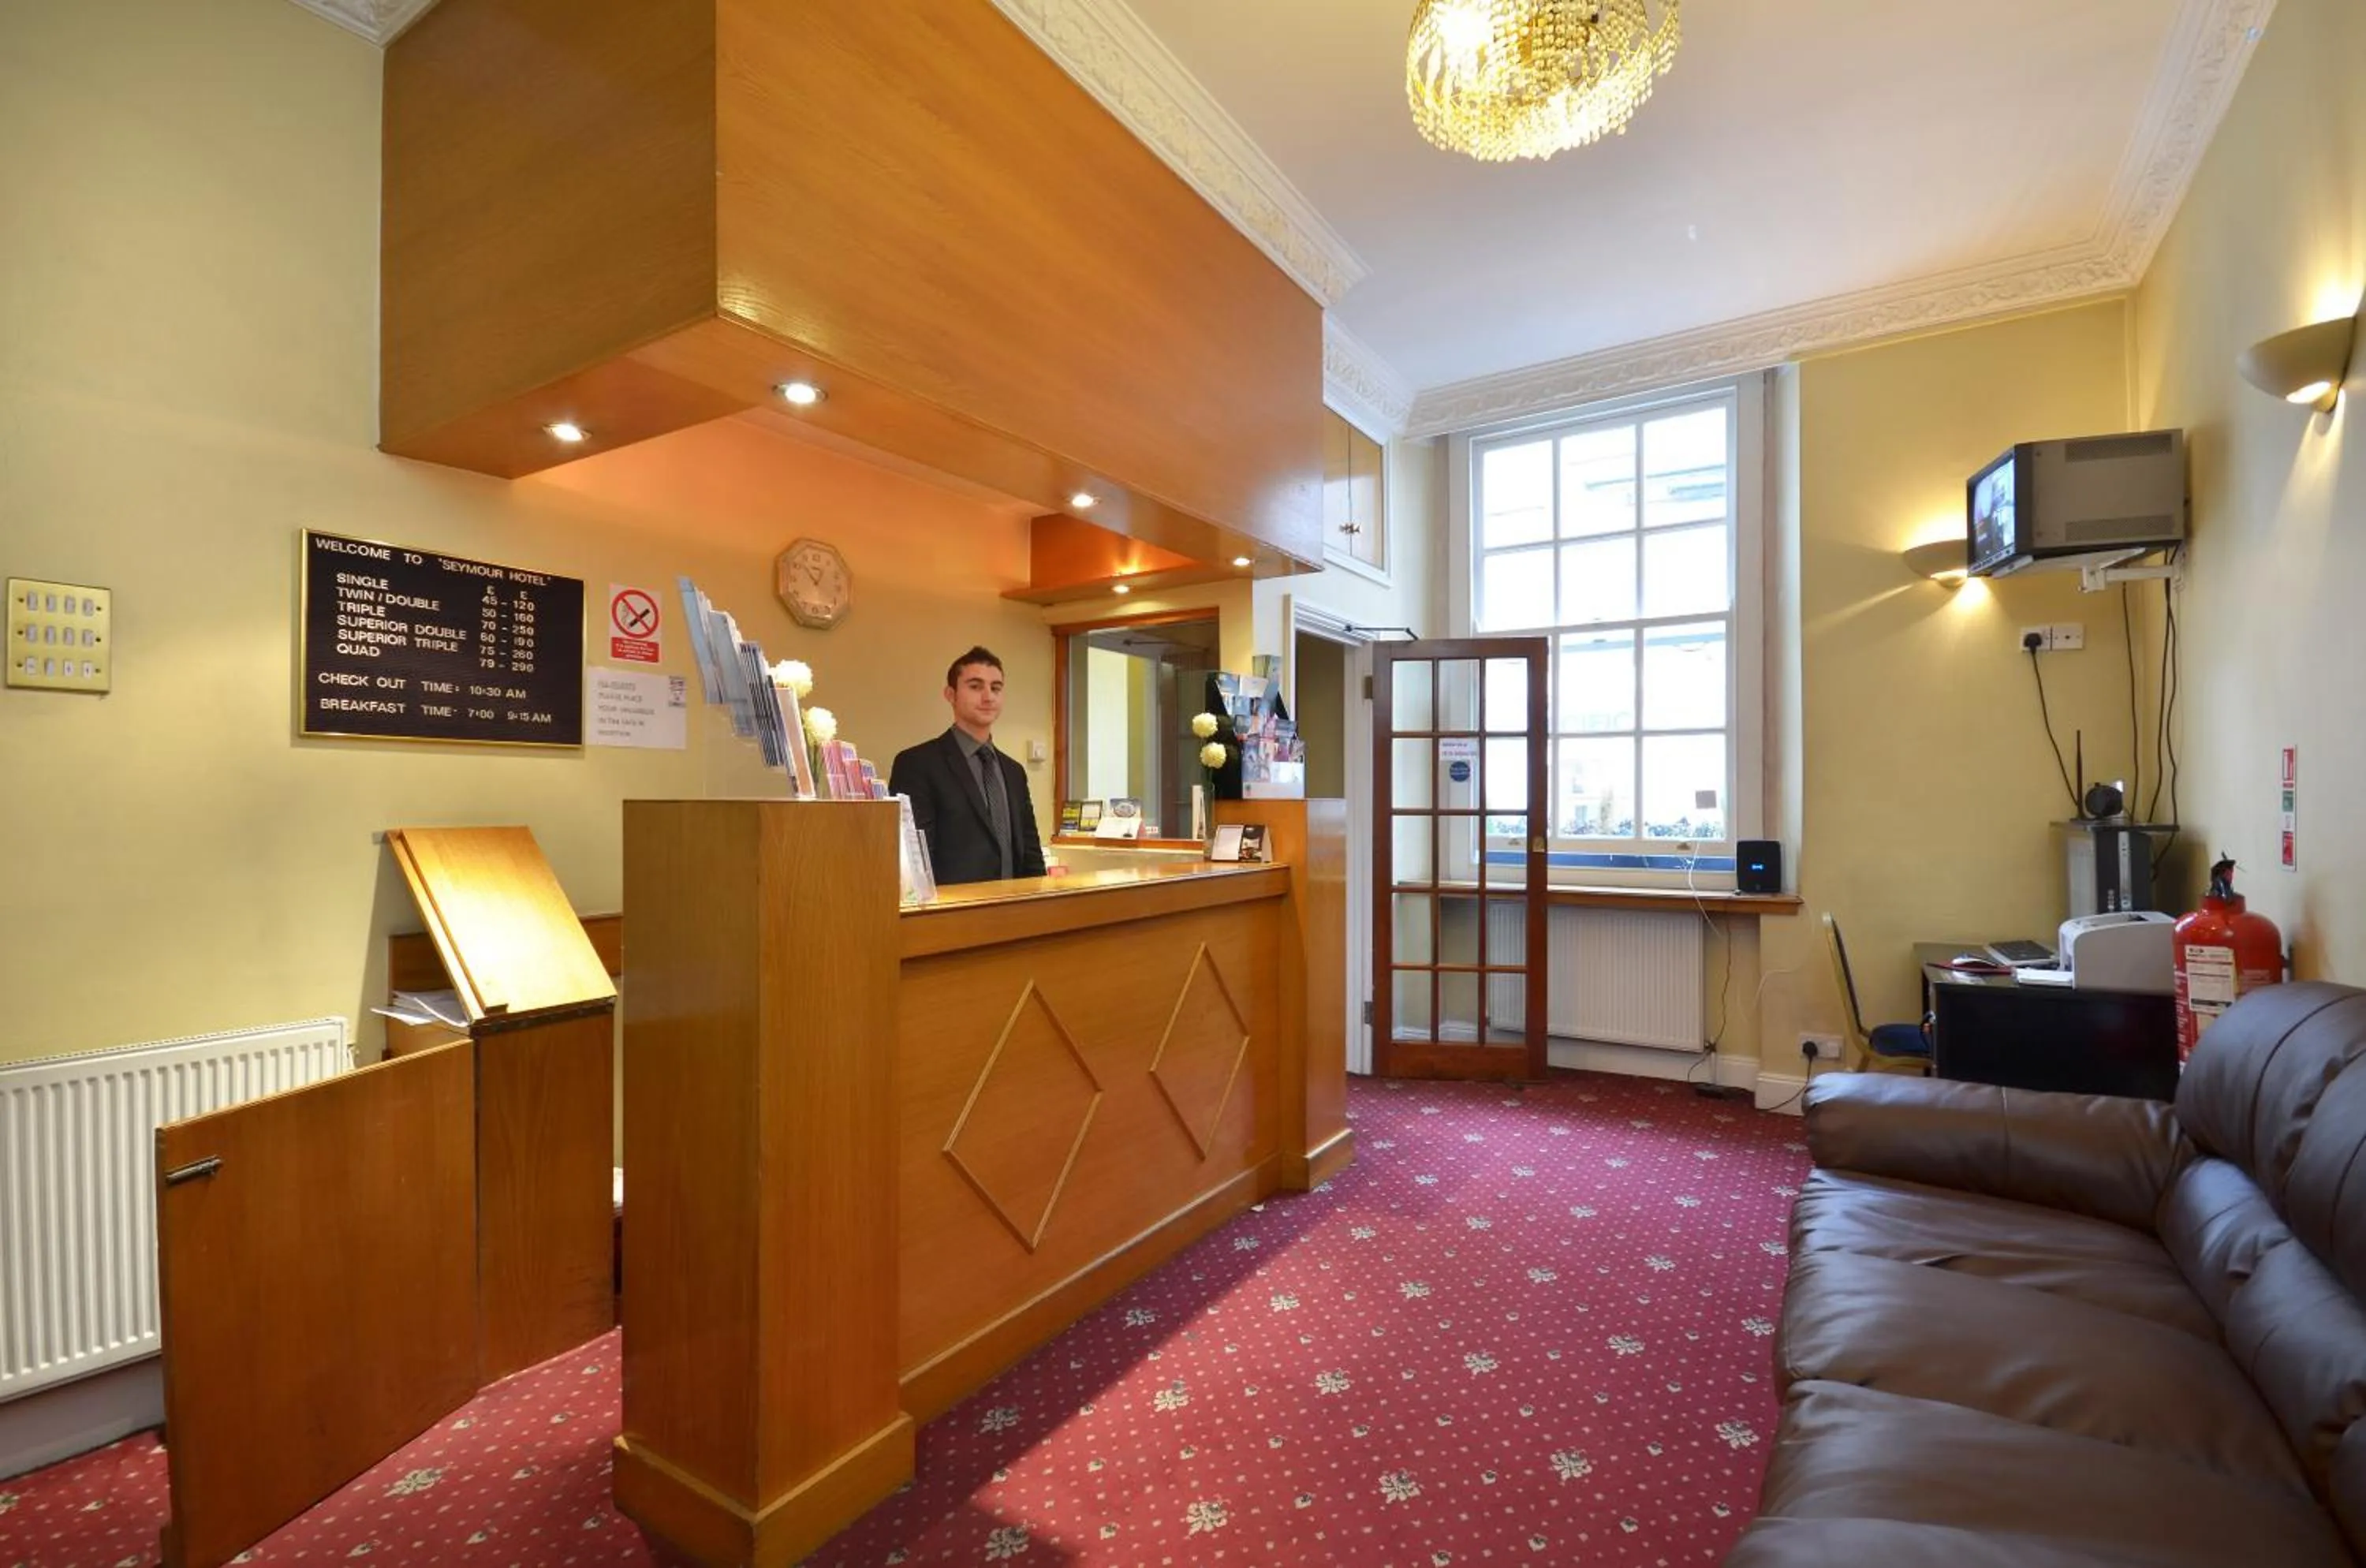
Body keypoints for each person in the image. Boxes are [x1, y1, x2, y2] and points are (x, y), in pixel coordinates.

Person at [888, 645, 1046, 886]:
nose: (988, 696)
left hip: (1014, 909)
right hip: (953, 913)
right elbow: (916, 857)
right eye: (975, 686)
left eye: (996, 688)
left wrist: (1040, 903)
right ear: (950, 694)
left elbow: (1031, 850)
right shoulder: (917, 764)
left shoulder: (1014, 771)